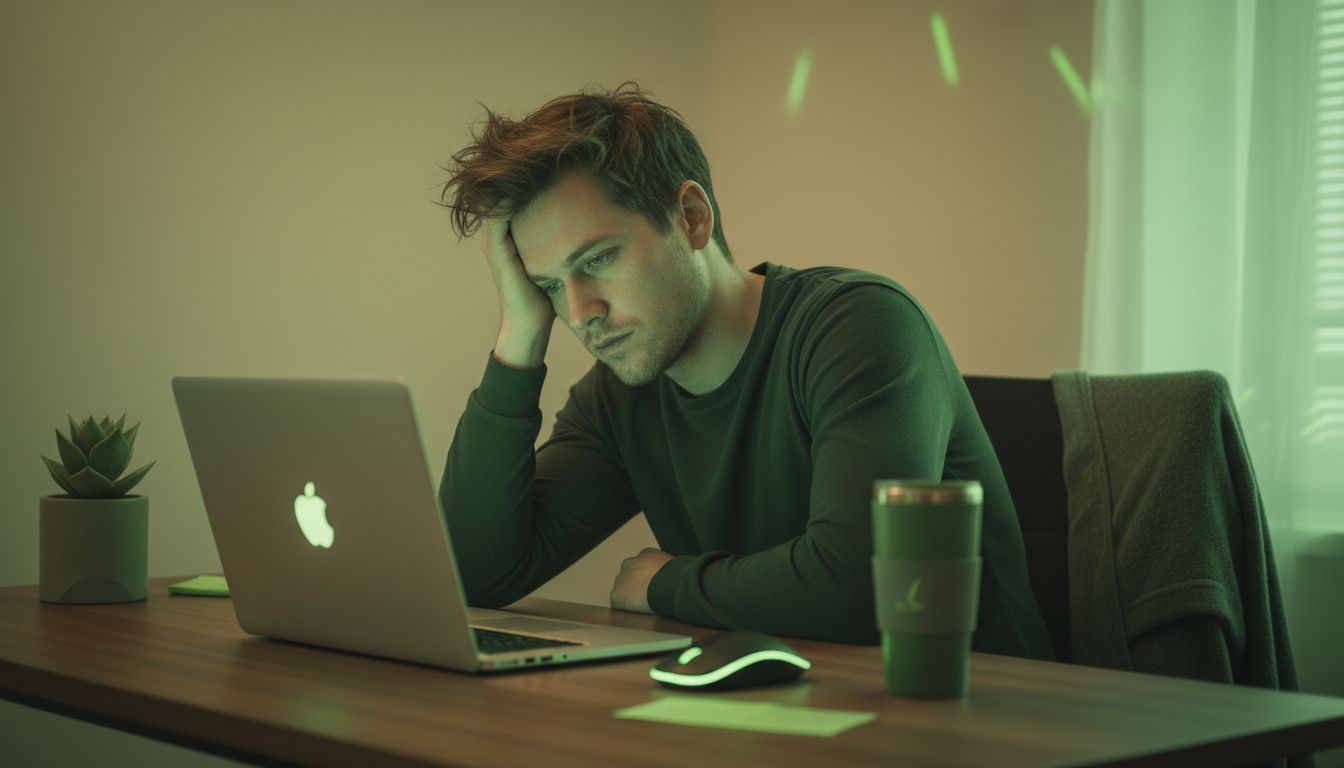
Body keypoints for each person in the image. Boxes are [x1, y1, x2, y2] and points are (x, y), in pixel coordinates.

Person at [437, 82, 1053, 656]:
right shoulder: (622, 394)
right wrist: (519, 334)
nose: (579, 313)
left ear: (692, 217)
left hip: (979, 721)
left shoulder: (860, 327)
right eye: (548, 286)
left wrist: (667, 582)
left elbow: (858, 588)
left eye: (598, 258)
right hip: (790, 712)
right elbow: (474, 574)